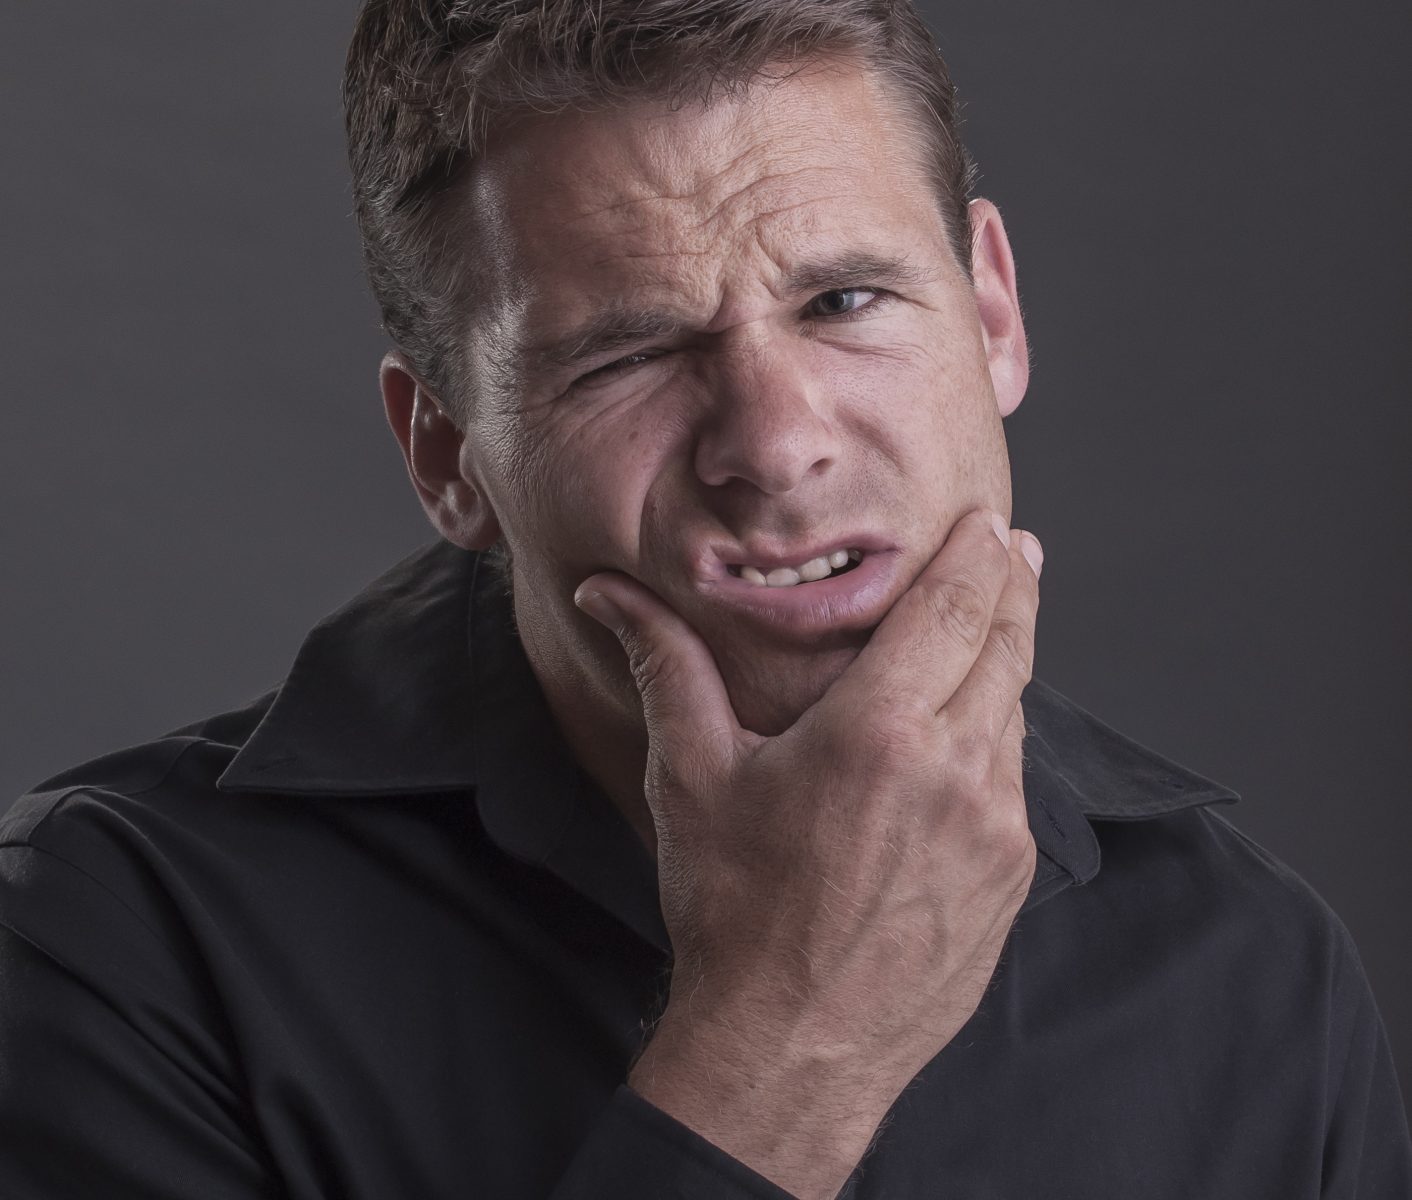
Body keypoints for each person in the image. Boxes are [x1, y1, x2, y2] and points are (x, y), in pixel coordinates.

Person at [1, 0, 1407, 1196]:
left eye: (846, 300)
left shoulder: (1255, 975)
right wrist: (790, 1037)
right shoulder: (114, 946)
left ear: (990, 315)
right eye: (626, 353)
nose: (776, 442)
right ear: (447, 456)